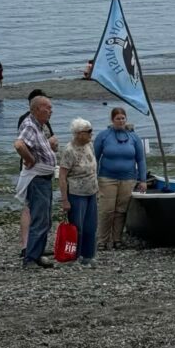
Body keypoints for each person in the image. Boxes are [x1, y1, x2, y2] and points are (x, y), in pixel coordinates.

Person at [14, 94, 58, 269]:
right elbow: (19, 144)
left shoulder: (39, 126)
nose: (51, 111)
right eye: (47, 107)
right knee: (39, 218)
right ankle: (30, 258)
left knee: (45, 218)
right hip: (37, 179)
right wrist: (30, 159)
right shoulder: (30, 125)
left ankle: (37, 253)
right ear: (36, 109)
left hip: (44, 178)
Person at [94, 107, 147, 249]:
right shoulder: (103, 136)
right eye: (118, 118)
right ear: (112, 120)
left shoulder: (134, 137)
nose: (121, 121)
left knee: (121, 210)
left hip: (128, 178)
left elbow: (141, 160)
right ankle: (102, 240)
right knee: (107, 209)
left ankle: (117, 239)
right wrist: (93, 177)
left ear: (126, 119)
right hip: (107, 178)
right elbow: (95, 158)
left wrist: (143, 180)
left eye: (123, 118)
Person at [59, 118, 99, 267]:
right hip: (76, 193)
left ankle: (88, 255)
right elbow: (62, 176)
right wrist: (64, 199)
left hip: (91, 191)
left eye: (91, 130)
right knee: (77, 227)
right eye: (88, 131)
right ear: (78, 133)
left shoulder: (90, 145)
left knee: (91, 226)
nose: (91, 134)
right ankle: (73, 256)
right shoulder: (69, 150)